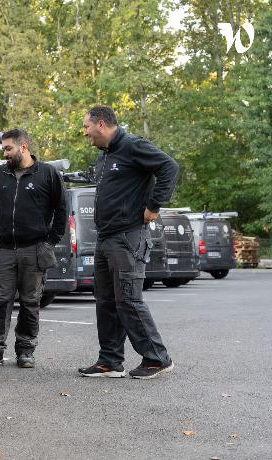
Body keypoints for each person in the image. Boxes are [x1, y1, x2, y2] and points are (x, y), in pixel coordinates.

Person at [79, 105, 179, 379]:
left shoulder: (133, 145)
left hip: (128, 236)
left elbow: (169, 167)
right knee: (106, 301)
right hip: (106, 236)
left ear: (101, 124)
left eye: (86, 126)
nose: (84, 132)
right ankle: (110, 361)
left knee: (128, 299)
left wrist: (153, 206)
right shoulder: (105, 156)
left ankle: (157, 358)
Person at [0, 129, 66, 370]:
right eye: (3, 149)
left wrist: (50, 243)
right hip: (4, 249)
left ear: (22, 147)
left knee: (30, 302)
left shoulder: (47, 174)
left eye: (8, 149)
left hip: (34, 250)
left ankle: (25, 350)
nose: (4, 153)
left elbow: (62, 212)